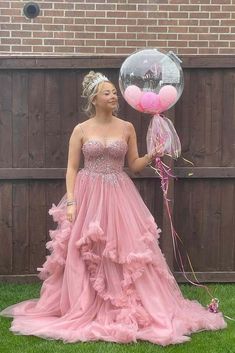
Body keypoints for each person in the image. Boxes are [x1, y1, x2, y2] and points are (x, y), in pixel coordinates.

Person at [0, 71, 227, 346]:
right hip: (87, 195)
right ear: (94, 99)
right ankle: (83, 304)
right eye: (107, 93)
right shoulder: (81, 130)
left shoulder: (127, 127)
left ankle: (124, 304)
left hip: (120, 196)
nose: (114, 96)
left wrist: (151, 156)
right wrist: (71, 201)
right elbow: (72, 168)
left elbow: (133, 166)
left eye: (114, 93)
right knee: (86, 250)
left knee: (123, 251)